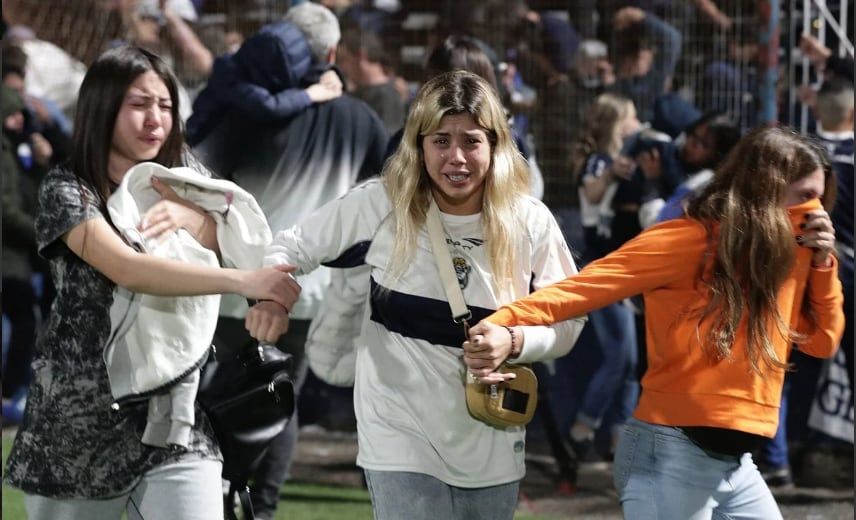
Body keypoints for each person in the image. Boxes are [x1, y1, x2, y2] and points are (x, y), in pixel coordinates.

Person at [245, 70, 586, 520]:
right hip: (397, 430)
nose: (456, 157)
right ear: (418, 145)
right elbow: (290, 246)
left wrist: (517, 342)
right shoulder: (382, 202)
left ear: (496, 145)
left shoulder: (530, 220)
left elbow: (570, 317)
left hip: (490, 433)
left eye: (471, 141)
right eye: (441, 141)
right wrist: (273, 297)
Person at [472, 126, 845, 518]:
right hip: (671, 455)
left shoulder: (795, 253)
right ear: (765, 190)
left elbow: (822, 342)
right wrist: (503, 323)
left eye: (820, 198)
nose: (816, 211)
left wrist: (822, 266)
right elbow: (587, 286)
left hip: (735, 465)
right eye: (805, 197)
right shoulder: (691, 240)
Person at [3, 45, 300, 520]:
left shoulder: (185, 177)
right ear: (103, 107)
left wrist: (190, 217)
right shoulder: (68, 187)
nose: (155, 119)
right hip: (79, 420)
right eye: (139, 104)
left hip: (178, 417)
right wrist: (246, 280)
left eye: (164, 106)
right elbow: (127, 267)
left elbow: (235, 233)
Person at [192, 4, 388, 519]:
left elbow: (195, 178)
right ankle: (263, 508)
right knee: (281, 398)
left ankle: (213, 499)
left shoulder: (249, 113)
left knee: (213, 397)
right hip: (309, 291)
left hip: (238, 283)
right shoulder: (362, 119)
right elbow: (377, 202)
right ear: (329, 53)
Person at [567, 93, 641, 461]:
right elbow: (592, 194)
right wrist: (612, 171)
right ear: (616, 123)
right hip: (602, 270)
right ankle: (582, 429)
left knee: (631, 363)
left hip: (625, 271)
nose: (637, 124)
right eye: (631, 118)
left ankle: (619, 437)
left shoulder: (624, 161)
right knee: (619, 355)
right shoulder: (598, 162)